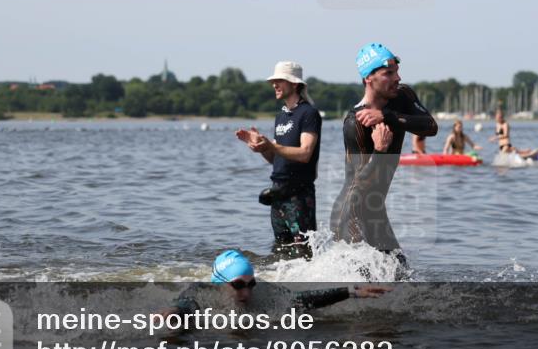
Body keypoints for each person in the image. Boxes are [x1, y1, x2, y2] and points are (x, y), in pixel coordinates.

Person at [329, 43, 438, 263]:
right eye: (388, 73)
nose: (397, 78)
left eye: (397, 71)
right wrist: (379, 151)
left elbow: (430, 127)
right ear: (368, 78)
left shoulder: (402, 96)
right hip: (351, 215)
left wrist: (387, 117)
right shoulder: (356, 123)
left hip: (376, 211)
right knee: (367, 289)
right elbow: (358, 186)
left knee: (401, 277)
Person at [162, 251, 389, 330]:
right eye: (238, 285)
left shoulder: (265, 293)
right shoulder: (203, 292)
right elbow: (187, 303)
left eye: (251, 284)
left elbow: (301, 300)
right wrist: (174, 312)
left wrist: (351, 291)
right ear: (220, 283)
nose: (246, 293)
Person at [235, 62, 321, 254]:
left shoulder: (309, 113)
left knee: (304, 252)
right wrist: (262, 148)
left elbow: (305, 153)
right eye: (273, 81)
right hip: (277, 194)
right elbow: (277, 159)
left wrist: (272, 145)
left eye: (280, 80)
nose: (274, 84)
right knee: (281, 252)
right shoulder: (281, 116)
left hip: (299, 195)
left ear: (295, 84)